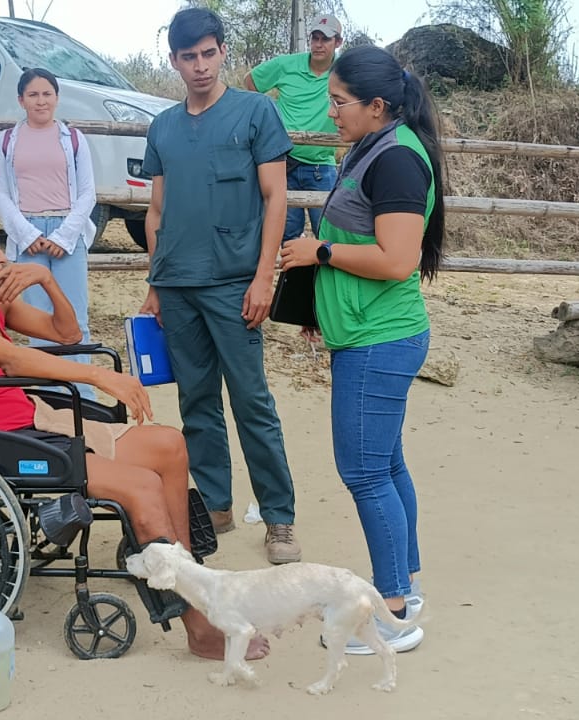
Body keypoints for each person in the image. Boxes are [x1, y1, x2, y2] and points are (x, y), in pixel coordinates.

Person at [0, 197, 270, 663]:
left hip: (29, 420)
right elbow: (13, 360)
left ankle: (185, 573)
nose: (0, 256)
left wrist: (45, 279)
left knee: (169, 445)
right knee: (141, 486)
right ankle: (196, 624)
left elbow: (65, 333)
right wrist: (100, 377)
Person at [278, 45, 441, 653]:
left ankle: (391, 613)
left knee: (365, 472)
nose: (331, 110)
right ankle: (406, 588)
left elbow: (397, 260)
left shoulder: (396, 160)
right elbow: (361, 238)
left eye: (340, 101)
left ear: (377, 105)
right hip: (366, 331)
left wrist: (318, 252)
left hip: (380, 340)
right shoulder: (373, 147)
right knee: (387, 466)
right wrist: (322, 306)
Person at [139, 7, 301, 564]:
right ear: (174, 61)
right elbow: (157, 211)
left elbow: (276, 198)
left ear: (223, 52)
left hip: (235, 284)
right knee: (196, 400)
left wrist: (264, 278)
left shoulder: (255, 112)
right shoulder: (162, 127)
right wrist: (155, 282)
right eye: (189, 56)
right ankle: (215, 504)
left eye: (209, 53)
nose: (201, 65)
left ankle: (279, 518)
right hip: (177, 285)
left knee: (252, 400)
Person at [0, 68, 99, 399]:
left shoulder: (74, 139)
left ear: (57, 98)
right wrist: (27, 235)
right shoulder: (6, 141)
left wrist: (64, 236)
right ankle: (50, 397)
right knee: (38, 320)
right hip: (28, 235)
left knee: (75, 317)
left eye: (47, 94)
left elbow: (87, 192)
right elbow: (1, 191)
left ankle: (82, 396)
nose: (41, 101)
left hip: (68, 234)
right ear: (21, 100)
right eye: (33, 95)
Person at [243, 13, 344, 242]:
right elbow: (251, 81)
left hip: (321, 164)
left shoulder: (345, 70)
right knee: (286, 234)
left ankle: (324, 268)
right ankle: (290, 267)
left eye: (325, 39)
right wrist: (268, 116)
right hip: (284, 163)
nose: (318, 44)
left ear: (338, 42)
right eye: (315, 38)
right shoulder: (286, 64)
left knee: (328, 233)